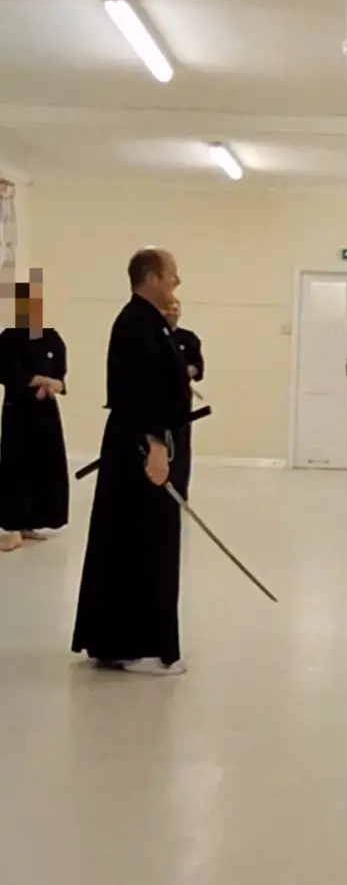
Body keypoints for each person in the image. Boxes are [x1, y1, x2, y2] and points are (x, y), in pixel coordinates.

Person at [72, 247, 190, 675]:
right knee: (142, 541)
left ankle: (118, 640)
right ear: (151, 278)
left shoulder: (150, 323)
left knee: (132, 539)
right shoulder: (136, 324)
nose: (177, 281)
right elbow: (140, 391)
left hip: (140, 441)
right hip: (139, 447)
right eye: (172, 274)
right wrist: (156, 445)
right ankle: (135, 643)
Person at [0, 271, 69, 552]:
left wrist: (51, 385)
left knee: (45, 465)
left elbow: (61, 378)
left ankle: (33, 522)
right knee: (16, 466)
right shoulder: (8, 338)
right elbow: (9, 372)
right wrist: (41, 381)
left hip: (46, 412)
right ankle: (13, 527)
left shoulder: (51, 338)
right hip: (18, 411)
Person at [165, 296, 204, 501]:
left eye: (175, 309)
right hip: (157, 399)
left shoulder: (188, 339)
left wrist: (183, 372)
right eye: (168, 308)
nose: (172, 312)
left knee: (180, 444)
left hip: (180, 400)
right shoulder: (154, 336)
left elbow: (197, 366)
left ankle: (179, 491)